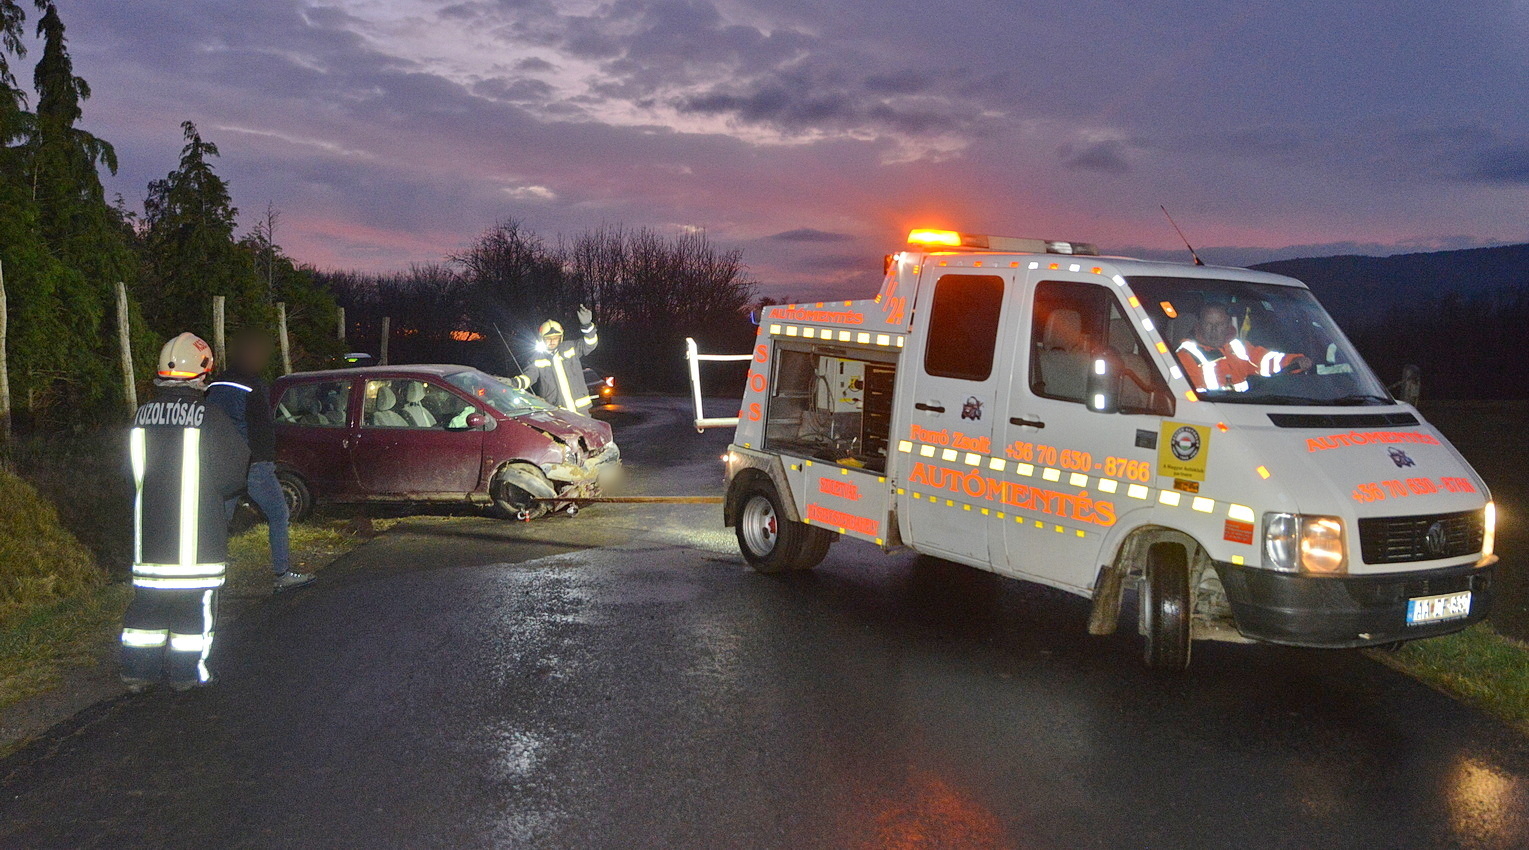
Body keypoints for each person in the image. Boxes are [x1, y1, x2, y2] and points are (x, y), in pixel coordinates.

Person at [121, 333, 249, 692]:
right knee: (194, 611)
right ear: (202, 373)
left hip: (149, 539)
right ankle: (187, 674)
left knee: (146, 609)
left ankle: (137, 672)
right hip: (196, 543)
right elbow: (233, 475)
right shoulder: (210, 416)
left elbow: (128, 474)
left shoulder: (141, 415)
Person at [207, 329, 314, 592]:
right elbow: (253, 426)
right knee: (279, 512)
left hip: (223, 464)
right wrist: (258, 457)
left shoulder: (216, 384)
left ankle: (211, 568)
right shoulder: (253, 385)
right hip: (254, 465)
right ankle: (282, 573)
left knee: (220, 519)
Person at [1176, 304, 1312, 393]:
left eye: (1220, 324)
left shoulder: (1238, 347)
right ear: (1199, 326)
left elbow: (1267, 360)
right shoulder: (1184, 356)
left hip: (1245, 410)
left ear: (1228, 325)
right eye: (1208, 324)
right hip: (1209, 420)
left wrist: (1296, 360)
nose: (1214, 330)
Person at [510, 304, 599, 412]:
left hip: (581, 411)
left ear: (561, 337)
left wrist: (587, 326)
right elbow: (529, 376)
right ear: (542, 339)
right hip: (556, 412)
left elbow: (590, 344)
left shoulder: (570, 347)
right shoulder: (537, 358)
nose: (552, 341)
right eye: (548, 339)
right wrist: (514, 383)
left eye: (555, 338)